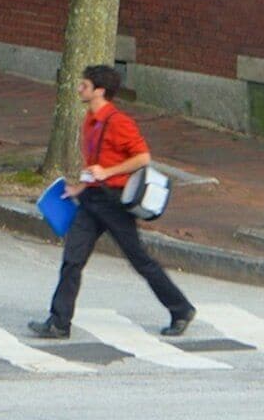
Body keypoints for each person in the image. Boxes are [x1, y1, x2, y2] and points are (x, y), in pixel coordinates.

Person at [30, 64, 197, 341]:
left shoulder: (119, 122)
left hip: (114, 201)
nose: (79, 89)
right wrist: (79, 187)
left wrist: (107, 173)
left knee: (140, 259)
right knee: (72, 259)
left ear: (100, 91)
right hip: (91, 199)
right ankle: (59, 323)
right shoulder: (90, 120)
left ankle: (181, 309)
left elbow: (142, 158)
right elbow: (94, 164)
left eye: (84, 86)